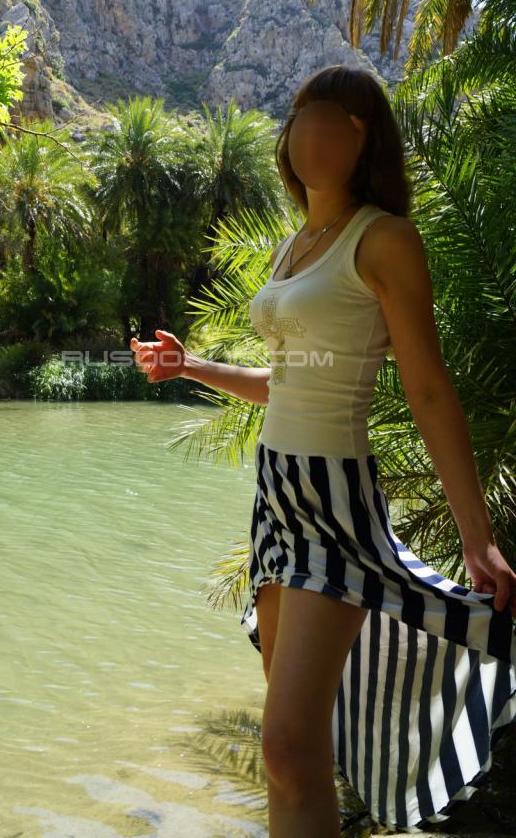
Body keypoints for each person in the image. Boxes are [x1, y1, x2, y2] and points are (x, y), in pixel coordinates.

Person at [130, 64, 516, 838]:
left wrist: (476, 535)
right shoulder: (296, 247)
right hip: (277, 497)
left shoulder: (385, 239)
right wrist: (190, 365)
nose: (311, 132)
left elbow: (428, 389)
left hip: (335, 498)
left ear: (364, 137)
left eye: (333, 119)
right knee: (290, 755)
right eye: (302, 116)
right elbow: (285, 384)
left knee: (286, 745)